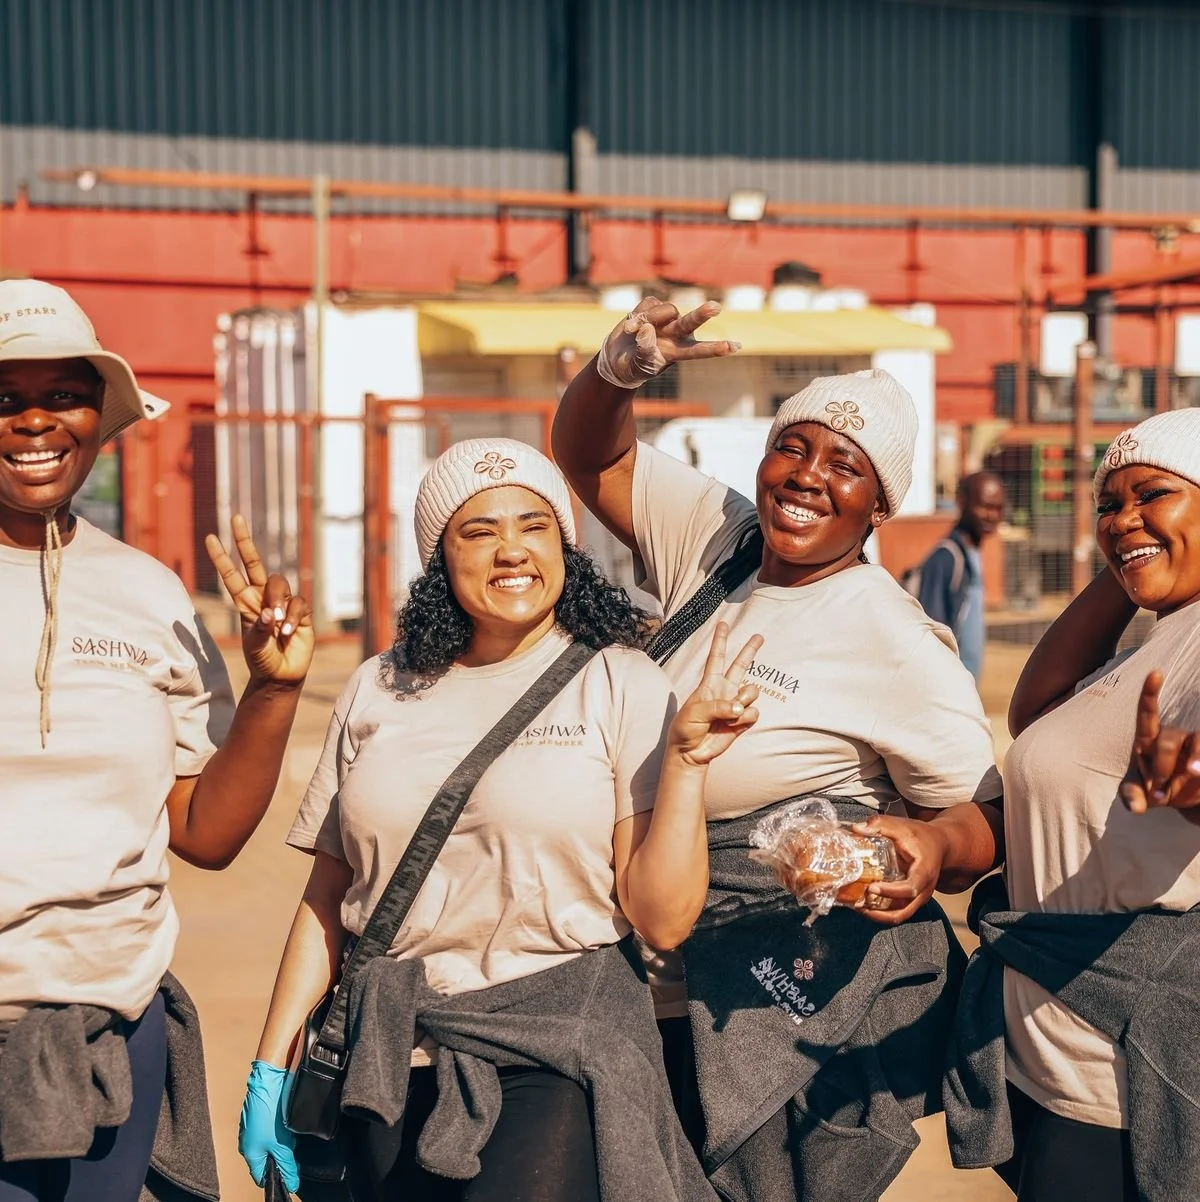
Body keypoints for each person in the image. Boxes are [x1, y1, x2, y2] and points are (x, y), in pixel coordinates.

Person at [552, 299, 1004, 1201]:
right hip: (615, 978)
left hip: (754, 1001)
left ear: (881, 503)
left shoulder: (893, 638)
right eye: (792, 448)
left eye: (845, 466)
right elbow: (589, 455)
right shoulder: (719, 541)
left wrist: (930, 852)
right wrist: (616, 371)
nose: (807, 476)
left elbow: (987, 812)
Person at [239, 437, 759, 1202]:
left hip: (555, 1047)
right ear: (440, 557)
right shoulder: (377, 688)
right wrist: (271, 1063)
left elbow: (664, 919)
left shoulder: (619, 680)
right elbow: (330, 897)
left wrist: (685, 764)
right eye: (478, 532)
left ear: (566, 545)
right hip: (386, 1052)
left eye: (534, 525)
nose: (510, 550)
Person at [0, 279, 314, 1202]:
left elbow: (205, 834)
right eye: (6, 399)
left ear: (101, 416)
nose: (34, 422)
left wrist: (273, 688)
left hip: (109, 1021)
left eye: (63, 394)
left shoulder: (149, 594)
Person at [944, 407, 1200, 1202]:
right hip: (1053, 1052)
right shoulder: (1160, 633)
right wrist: (1138, 545)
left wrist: (1189, 783)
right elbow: (1037, 711)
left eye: (1153, 493)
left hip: (1118, 1072)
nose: (1121, 517)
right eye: (1106, 504)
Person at [912, 471, 1006, 683]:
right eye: (984, 506)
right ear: (962, 502)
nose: (992, 515)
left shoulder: (971, 556)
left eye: (998, 508)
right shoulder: (947, 558)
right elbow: (932, 634)